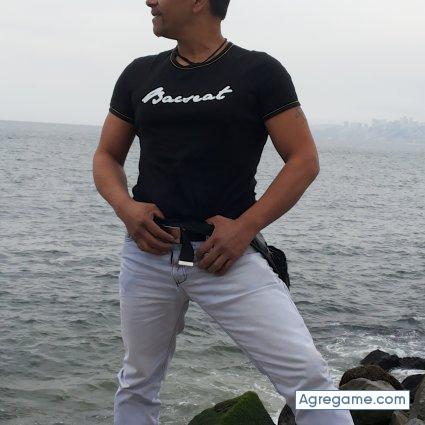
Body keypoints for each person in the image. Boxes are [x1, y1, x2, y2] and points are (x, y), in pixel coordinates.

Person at [92, 0, 355, 424]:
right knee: (137, 382)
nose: (150, 1)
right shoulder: (139, 74)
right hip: (148, 253)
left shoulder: (259, 72)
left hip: (226, 255)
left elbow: (304, 159)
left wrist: (245, 227)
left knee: (308, 380)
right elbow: (107, 156)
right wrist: (126, 208)